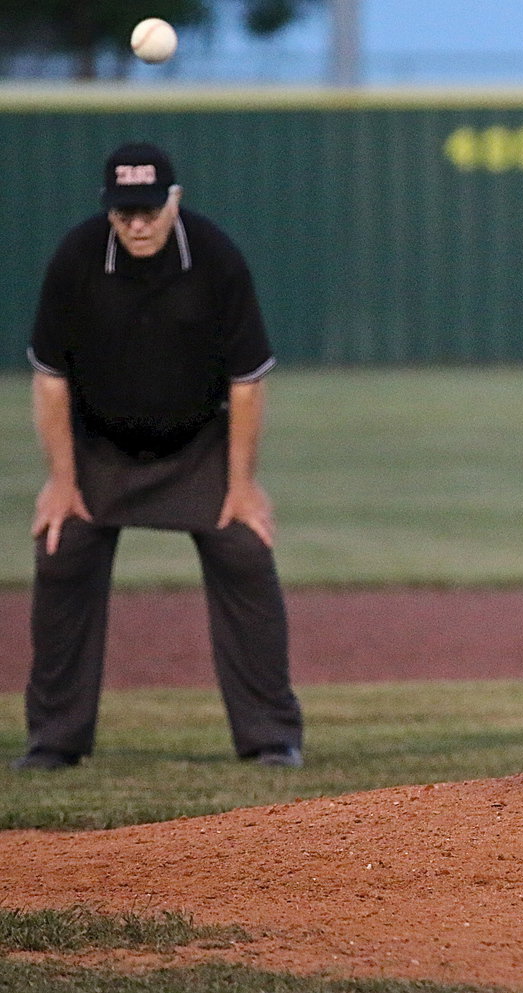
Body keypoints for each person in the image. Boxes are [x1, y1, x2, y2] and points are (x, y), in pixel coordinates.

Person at [11, 142, 304, 772]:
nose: (138, 223)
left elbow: (248, 380)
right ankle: (54, 739)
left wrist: (242, 484)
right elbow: (51, 378)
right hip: (100, 447)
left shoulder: (216, 258)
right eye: (124, 212)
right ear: (108, 210)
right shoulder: (79, 258)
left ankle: (270, 738)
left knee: (245, 549)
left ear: (174, 202)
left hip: (197, 444)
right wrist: (61, 482)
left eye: (149, 209)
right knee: (62, 550)